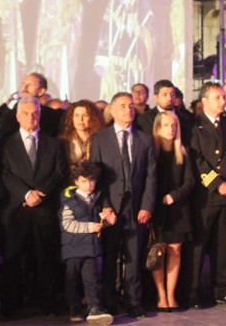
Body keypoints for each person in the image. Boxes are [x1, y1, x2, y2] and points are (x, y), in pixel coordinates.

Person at [89, 92, 157, 317]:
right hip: (111, 206)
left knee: (134, 256)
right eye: (123, 106)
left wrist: (147, 205)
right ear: (113, 110)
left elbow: (150, 176)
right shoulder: (101, 138)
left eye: (130, 106)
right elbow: (96, 175)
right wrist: (105, 205)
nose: (128, 110)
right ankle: (109, 300)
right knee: (110, 256)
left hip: (136, 205)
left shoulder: (144, 139)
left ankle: (133, 301)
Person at [0, 96, 65, 317]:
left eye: (35, 113)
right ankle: (10, 305)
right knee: (12, 258)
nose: (31, 117)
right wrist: (26, 194)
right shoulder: (6, 143)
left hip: (44, 209)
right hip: (16, 210)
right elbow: (4, 173)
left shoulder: (53, 143)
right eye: (26, 113)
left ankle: (48, 304)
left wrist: (39, 194)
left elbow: (59, 173)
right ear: (18, 116)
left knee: (46, 257)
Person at [187, 81, 226, 307]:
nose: (223, 101)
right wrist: (217, 183)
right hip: (207, 195)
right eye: (217, 97)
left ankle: (222, 289)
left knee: (224, 245)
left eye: (223, 97)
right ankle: (192, 292)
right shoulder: (195, 126)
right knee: (199, 245)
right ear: (204, 101)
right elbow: (197, 159)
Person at [60, 161, 115, 324]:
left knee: (91, 279)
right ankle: (74, 308)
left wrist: (106, 222)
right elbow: (67, 224)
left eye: (92, 181)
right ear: (76, 182)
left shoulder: (97, 198)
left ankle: (94, 307)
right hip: (73, 248)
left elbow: (98, 224)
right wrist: (90, 227)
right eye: (84, 181)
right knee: (72, 279)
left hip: (91, 248)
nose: (89, 185)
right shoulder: (69, 200)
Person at [150, 111, 194, 311]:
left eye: (174, 125)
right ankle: (160, 296)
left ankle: (171, 294)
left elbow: (190, 181)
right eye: (167, 125)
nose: (171, 129)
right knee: (159, 251)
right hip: (157, 209)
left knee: (175, 251)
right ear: (158, 128)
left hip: (178, 209)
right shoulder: (151, 152)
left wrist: (175, 195)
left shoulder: (183, 151)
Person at [0, 73, 63, 139]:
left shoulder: (53, 116)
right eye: (23, 83)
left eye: (30, 84)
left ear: (41, 91)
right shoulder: (9, 117)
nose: (25, 87)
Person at [60, 99, 104, 169]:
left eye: (85, 115)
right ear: (72, 118)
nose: (80, 119)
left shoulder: (101, 139)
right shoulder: (64, 141)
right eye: (77, 115)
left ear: (92, 118)